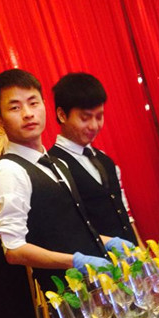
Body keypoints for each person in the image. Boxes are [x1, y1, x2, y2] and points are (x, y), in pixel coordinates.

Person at [0, 69, 129, 287]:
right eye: (15, 107)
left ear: (44, 105)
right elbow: (13, 250)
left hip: (101, 283)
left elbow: (70, 230)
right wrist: (76, 262)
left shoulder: (56, 163)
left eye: (33, 103)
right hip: (71, 294)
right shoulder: (8, 170)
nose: (28, 113)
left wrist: (111, 242)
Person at [48, 73, 137, 245]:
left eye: (99, 117)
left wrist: (139, 251)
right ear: (62, 115)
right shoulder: (53, 167)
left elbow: (125, 214)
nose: (94, 126)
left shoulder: (104, 160)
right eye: (85, 118)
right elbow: (68, 231)